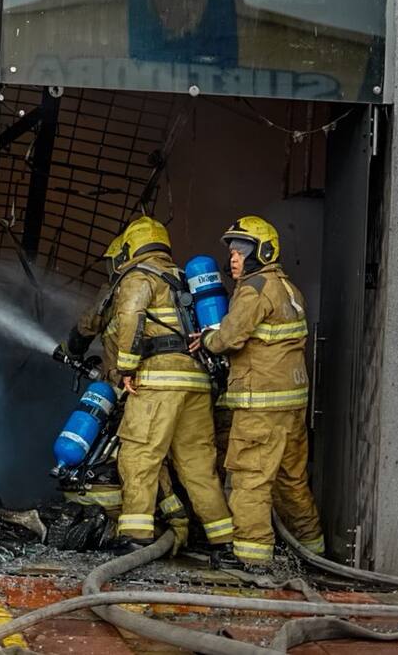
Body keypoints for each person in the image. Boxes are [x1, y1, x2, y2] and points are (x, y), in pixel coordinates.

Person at [65, 215, 232, 553]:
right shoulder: (183, 279)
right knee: (199, 466)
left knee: (139, 457)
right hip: (195, 384)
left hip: (156, 382)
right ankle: (223, 541)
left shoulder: (138, 276)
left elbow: (129, 318)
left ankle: (136, 536)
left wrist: (125, 368)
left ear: (130, 247)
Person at [196, 216, 324, 569]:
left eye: (241, 249)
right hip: (291, 407)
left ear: (263, 251)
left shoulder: (254, 287)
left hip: (260, 408)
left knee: (249, 480)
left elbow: (228, 337)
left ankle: (251, 556)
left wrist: (207, 337)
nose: (234, 257)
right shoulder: (289, 289)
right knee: (292, 483)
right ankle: (315, 552)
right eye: (232, 250)